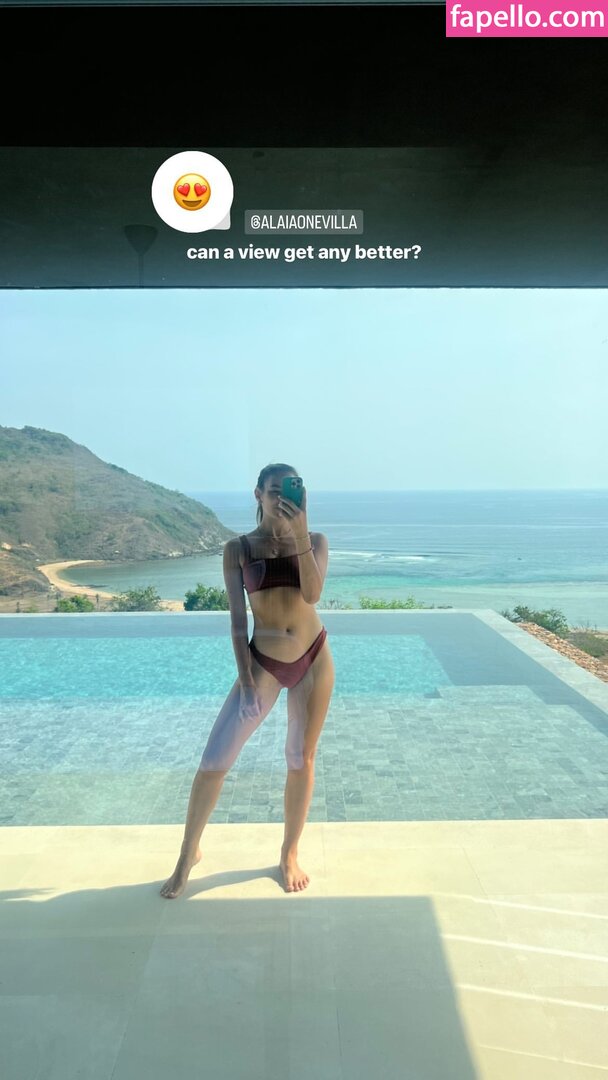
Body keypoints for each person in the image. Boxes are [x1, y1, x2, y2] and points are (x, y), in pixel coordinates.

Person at [160, 463, 335, 898]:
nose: (281, 498)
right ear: (258, 494)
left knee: (300, 759)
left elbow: (312, 594)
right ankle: (187, 854)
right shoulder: (237, 549)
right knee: (214, 760)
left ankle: (289, 854)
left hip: (313, 658)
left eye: (289, 490)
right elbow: (239, 622)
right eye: (273, 490)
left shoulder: (314, 541)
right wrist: (246, 679)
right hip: (262, 662)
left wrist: (300, 529)